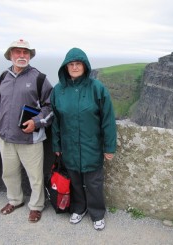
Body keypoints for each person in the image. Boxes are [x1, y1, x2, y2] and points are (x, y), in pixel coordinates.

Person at [50, 47, 117, 230]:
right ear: (65, 67)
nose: (74, 67)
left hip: (91, 146)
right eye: (71, 64)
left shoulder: (97, 88)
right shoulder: (58, 91)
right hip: (69, 146)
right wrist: (56, 144)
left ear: (85, 66)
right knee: (76, 182)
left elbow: (108, 120)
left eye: (78, 63)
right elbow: (56, 120)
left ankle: (97, 213)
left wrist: (109, 147)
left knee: (94, 183)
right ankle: (79, 208)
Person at [0, 39, 53, 223]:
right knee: (8, 173)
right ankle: (15, 200)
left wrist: (36, 122)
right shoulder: (2, 77)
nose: (21, 56)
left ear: (30, 56)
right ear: (10, 55)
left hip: (30, 138)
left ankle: (36, 206)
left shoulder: (39, 78)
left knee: (35, 177)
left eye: (25, 52)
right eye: (17, 52)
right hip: (5, 137)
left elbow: (50, 108)